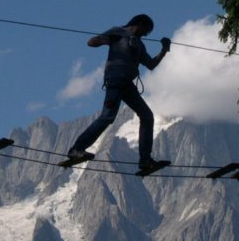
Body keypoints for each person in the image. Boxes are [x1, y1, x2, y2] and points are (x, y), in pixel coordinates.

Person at [67, 14, 171, 170]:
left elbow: (150, 64)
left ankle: (145, 160)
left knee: (147, 116)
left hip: (127, 84)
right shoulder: (118, 32)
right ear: (138, 24)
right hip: (116, 79)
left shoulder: (139, 44)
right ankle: (77, 148)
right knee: (107, 116)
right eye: (146, 31)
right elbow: (91, 42)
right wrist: (104, 39)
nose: (145, 34)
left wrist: (164, 50)